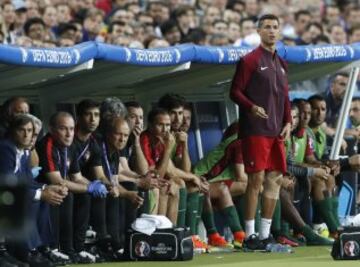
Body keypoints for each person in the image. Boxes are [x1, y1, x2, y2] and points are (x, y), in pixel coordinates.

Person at [230, 13, 291, 250]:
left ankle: (265, 235)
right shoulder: (250, 60)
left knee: (275, 178)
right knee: (255, 180)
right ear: (259, 31)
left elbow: (285, 96)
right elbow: (235, 92)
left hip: (277, 131)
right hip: (255, 130)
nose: (272, 31)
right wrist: (251, 107)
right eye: (267, 27)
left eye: (275, 27)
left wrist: (287, 122)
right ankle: (249, 235)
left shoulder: (281, 63)